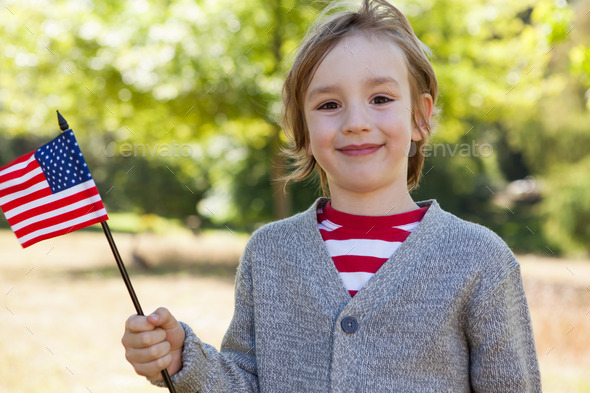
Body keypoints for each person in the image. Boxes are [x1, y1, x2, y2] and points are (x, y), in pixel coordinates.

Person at [121, 0, 542, 391]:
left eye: (380, 98)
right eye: (328, 105)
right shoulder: (269, 254)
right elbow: (246, 380)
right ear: (302, 130)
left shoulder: (480, 259)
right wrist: (182, 360)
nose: (356, 122)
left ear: (420, 117)